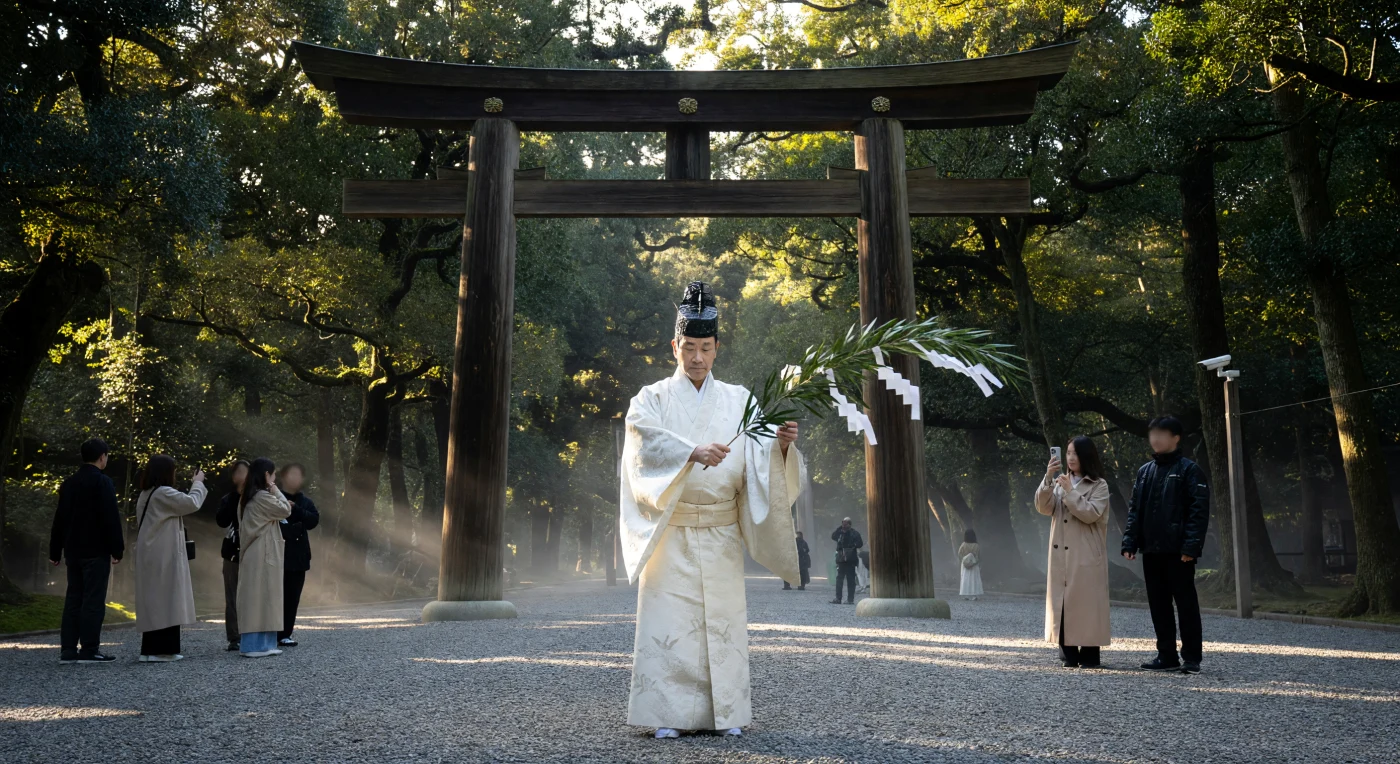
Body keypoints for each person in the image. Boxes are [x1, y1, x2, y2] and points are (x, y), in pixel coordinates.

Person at [619, 281, 804, 739]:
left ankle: (726, 715)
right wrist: (690, 452)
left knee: (721, 628)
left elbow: (761, 468)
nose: (697, 357)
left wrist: (781, 449)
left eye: (705, 347)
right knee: (671, 626)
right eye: (688, 347)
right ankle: (666, 715)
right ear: (674, 346)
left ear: (718, 347)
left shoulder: (742, 402)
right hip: (672, 531)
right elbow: (642, 441)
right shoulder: (652, 399)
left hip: (720, 531)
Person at [1122, 416, 1210, 674]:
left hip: (1178, 552)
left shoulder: (1190, 470)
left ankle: (1192, 657)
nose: (1156, 438)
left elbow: (1198, 512)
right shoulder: (1145, 471)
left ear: (1176, 437)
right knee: (1158, 604)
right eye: (1153, 434)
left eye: (1162, 433)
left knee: (1186, 604)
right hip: (1151, 549)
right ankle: (1166, 655)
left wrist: (1190, 548)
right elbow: (1135, 510)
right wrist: (1130, 542)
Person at [1035, 437, 1111, 668]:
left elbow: (1091, 513)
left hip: (1086, 553)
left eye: (1075, 453)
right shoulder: (1058, 482)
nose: (1070, 457)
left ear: (1086, 457)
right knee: (1063, 602)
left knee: (1086, 603)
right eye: (1068, 452)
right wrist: (1048, 479)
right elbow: (1043, 507)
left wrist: (1070, 492)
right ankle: (1067, 653)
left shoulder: (1099, 485)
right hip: (1061, 553)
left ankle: (1089, 654)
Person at [48, 438, 124, 664]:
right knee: (93, 599)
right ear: (102, 457)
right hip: (96, 550)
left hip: (73, 550)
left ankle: (68, 649)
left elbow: (59, 519)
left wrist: (55, 550)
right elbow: (110, 518)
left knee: (73, 597)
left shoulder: (69, 483)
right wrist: (116, 549)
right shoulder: (102, 482)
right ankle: (89, 649)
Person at [133, 455, 207, 662]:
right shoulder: (163, 493)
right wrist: (198, 483)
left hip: (152, 554)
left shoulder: (147, 493)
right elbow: (192, 502)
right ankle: (161, 650)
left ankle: (152, 649)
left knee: (155, 602)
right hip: (162, 555)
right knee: (167, 601)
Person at [237, 457, 291, 658]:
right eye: (273, 474)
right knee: (262, 598)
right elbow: (285, 509)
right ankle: (255, 646)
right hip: (262, 553)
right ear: (267, 475)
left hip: (257, 552)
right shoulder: (261, 497)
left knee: (260, 598)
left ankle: (262, 644)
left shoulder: (248, 497)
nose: (275, 478)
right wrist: (274, 488)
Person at [277, 463, 320, 647]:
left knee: (292, 596)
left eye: (298, 475)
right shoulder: (274, 497)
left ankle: (286, 633)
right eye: (291, 474)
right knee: (276, 596)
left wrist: (296, 509)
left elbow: (313, 520)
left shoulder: (305, 501)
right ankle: (271, 632)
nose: (295, 478)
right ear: (284, 476)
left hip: (299, 556)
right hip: (277, 554)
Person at [215, 460, 249, 652]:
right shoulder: (228, 499)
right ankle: (234, 637)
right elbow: (221, 521)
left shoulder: (258, 497)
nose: (244, 476)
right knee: (233, 595)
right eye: (240, 472)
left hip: (253, 551)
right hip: (232, 552)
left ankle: (253, 632)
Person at [831, 517, 862, 604]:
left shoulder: (854, 533)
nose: (844, 525)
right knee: (839, 579)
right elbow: (833, 536)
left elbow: (860, 543)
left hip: (851, 559)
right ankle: (838, 598)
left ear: (849, 524)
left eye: (846, 523)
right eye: (843, 523)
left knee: (851, 580)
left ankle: (850, 599)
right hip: (841, 559)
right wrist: (839, 528)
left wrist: (853, 546)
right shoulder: (840, 533)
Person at [958, 530, 983, 601]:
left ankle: (966, 595)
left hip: (965, 565)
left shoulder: (963, 545)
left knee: (965, 578)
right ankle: (974, 595)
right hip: (974, 565)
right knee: (974, 579)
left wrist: (963, 561)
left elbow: (959, 554)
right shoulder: (976, 546)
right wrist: (975, 562)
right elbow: (978, 556)